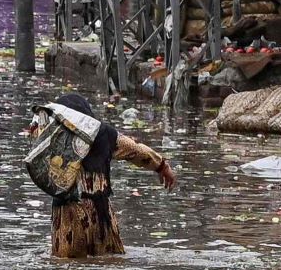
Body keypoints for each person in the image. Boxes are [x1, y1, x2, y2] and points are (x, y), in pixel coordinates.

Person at [26, 91, 175, 260]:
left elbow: (35, 153)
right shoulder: (104, 133)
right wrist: (162, 166)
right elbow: (135, 150)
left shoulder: (52, 136)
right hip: (102, 213)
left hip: (68, 214)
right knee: (109, 263)